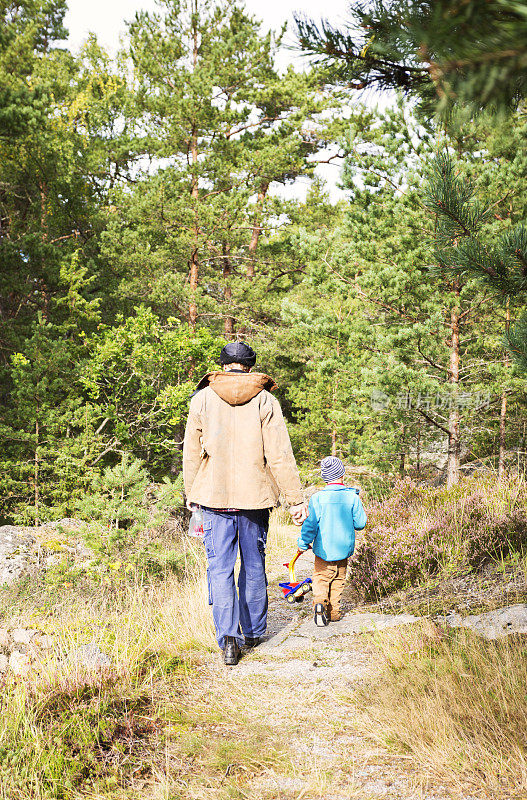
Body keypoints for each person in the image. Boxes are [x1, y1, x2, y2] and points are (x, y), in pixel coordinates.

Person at [183, 341, 307, 665]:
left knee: (219, 570)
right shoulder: (266, 400)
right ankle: (251, 633)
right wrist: (295, 499)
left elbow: (191, 453)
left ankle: (228, 641)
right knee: (253, 567)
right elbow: (280, 455)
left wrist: (191, 495)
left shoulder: (203, 399)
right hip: (254, 501)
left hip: (213, 500)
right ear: (250, 367)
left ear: (223, 366)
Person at [297, 456, 367, 627]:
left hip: (324, 551)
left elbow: (310, 525)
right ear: (342, 475)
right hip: (344, 549)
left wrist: (303, 542)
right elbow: (360, 523)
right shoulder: (352, 497)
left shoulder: (317, 498)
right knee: (338, 580)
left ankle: (320, 604)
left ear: (324, 478)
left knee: (321, 578)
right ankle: (334, 612)